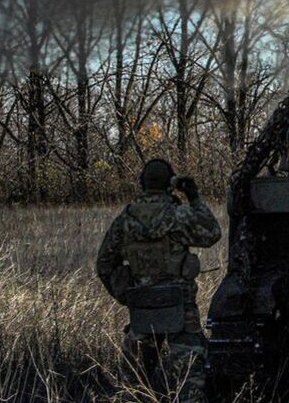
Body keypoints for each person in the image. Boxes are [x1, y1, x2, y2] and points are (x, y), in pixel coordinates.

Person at [96, 158, 222, 403]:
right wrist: (194, 198)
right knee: (191, 385)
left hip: (141, 311)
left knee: (132, 387)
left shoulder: (126, 221)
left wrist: (125, 294)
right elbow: (212, 233)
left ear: (142, 183)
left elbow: (104, 265)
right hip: (179, 308)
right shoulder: (179, 216)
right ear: (170, 184)